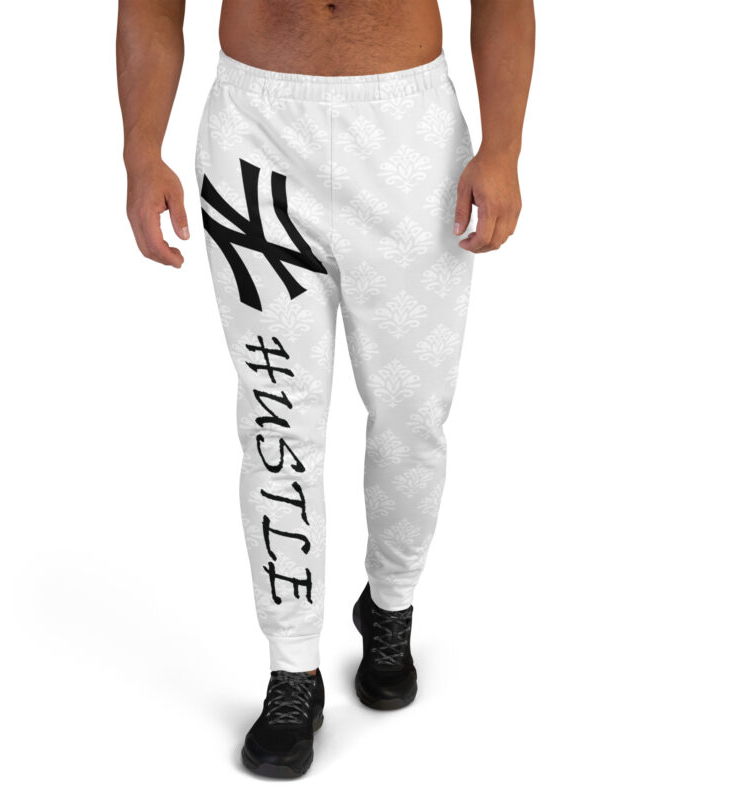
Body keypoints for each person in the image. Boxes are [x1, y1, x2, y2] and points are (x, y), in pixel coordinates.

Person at [116, 0, 534, 778]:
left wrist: (503, 147)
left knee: (412, 417)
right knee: (277, 419)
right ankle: (292, 666)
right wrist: (143, 150)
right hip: (255, 136)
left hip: (408, 133)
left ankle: (391, 603)